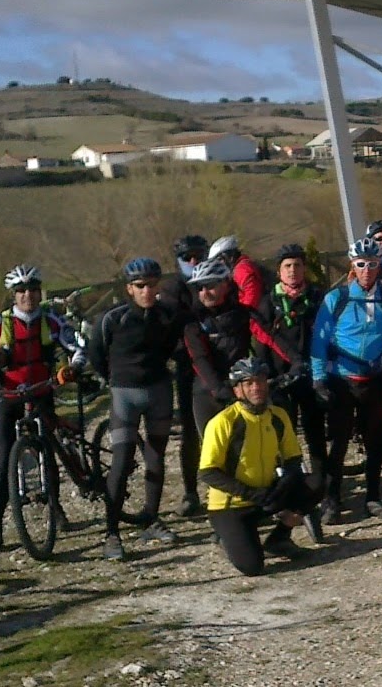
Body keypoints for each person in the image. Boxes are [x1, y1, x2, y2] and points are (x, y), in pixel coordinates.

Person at [0, 264, 85, 552]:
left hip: (42, 392)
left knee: (48, 453)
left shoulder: (52, 321)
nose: (27, 295)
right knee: (3, 461)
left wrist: (72, 369)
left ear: (40, 292)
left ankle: (56, 508)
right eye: (21, 291)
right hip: (6, 397)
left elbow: (78, 347)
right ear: (13, 295)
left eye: (32, 289)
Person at [86, 257, 188, 561]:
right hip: (124, 394)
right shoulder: (111, 319)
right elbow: (96, 354)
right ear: (129, 288)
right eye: (140, 286)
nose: (147, 291)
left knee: (156, 460)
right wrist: (114, 379)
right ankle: (112, 533)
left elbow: (172, 346)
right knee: (122, 461)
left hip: (158, 390)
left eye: (152, 285)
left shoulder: (167, 315)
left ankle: (151, 519)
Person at [309, 238, 382, 522]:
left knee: (375, 441)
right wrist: (319, 379)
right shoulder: (336, 298)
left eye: (373, 264)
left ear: (381, 265)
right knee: (339, 442)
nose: (367, 270)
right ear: (352, 265)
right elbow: (319, 342)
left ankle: (372, 497)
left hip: (374, 379)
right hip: (341, 380)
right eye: (361, 264)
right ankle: (332, 499)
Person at [198, 357, 322, 576]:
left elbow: (293, 459)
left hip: (265, 495)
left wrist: (283, 490)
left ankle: (279, 539)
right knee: (253, 567)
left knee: (318, 482)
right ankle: (230, 536)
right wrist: (252, 494)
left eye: (261, 381)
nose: (257, 388)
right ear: (237, 390)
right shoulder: (223, 422)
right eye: (249, 383)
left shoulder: (278, 416)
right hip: (231, 505)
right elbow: (208, 472)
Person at [257, 244, 326, 474]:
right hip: (280, 377)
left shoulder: (316, 297)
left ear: (304, 268)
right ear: (279, 271)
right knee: (283, 433)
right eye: (287, 266)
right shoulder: (268, 302)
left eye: (297, 265)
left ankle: (321, 482)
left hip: (311, 374)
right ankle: (292, 480)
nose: (292, 270)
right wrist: (267, 377)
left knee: (315, 431)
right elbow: (262, 342)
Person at [182, 258, 256, 452]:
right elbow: (198, 357)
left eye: (210, 286)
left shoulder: (243, 313)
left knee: (250, 447)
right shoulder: (193, 320)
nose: (204, 293)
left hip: (243, 385)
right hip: (208, 390)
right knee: (213, 451)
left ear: (226, 284)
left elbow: (268, 338)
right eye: (199, 288)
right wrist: (217, 388)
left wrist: (295, 362)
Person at [158, 234, 208, 515]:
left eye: (198, 255)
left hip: (220, 361)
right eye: (187, 257)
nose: (193, 261)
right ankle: (190, 491)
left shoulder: (216, 278)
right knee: (191, 431)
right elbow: (171, 324)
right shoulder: (173, 287)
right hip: (187, 365)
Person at [208, 235, 266, 313]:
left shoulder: (242, 269)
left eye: (219, 260)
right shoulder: (243, 266)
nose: (218, 264)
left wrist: (244, 315)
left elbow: (252, 294)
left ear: (230, 257)